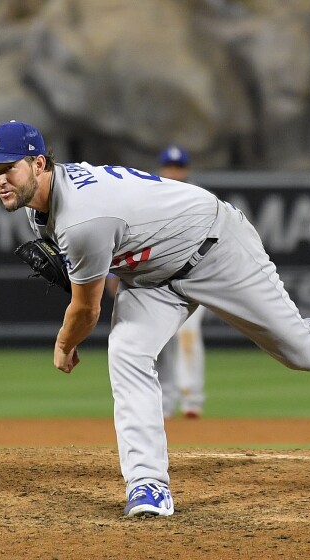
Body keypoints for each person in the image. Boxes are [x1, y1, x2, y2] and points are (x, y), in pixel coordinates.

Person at [0, 120, 310, 518]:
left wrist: (64, 343)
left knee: (300, 352)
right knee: (127, 351)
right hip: (151, 279)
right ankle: (148, 484)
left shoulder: (80, 219)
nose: (0, 180)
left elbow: (87, 309)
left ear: (39, 164)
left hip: (214, 248)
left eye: (9, 168)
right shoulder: (41, 209)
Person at [105, 145, 206, 419]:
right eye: (169, 167)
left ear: (186, 170)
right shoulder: (150, 195)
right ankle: (164, 402)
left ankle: (192, 399)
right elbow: (133, 235)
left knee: (188, 337)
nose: (173, 172)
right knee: (157, 342)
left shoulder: (200, 199)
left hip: (194, 280)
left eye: (178, 167)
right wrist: (116, 275)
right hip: (158, 282)